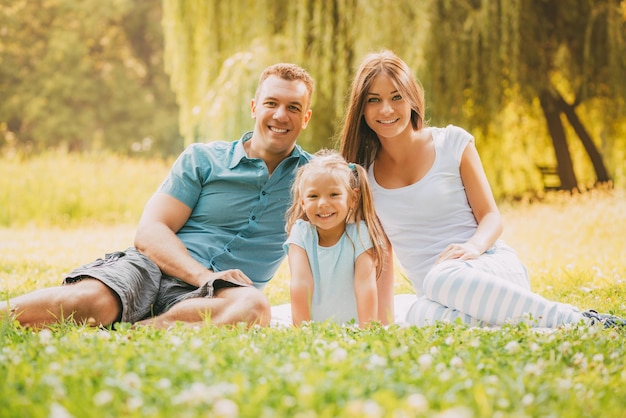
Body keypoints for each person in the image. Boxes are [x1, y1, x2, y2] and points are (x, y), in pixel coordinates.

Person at [5, 63, 315, 330]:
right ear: (254, 108)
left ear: (306, 118)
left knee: (253, 307)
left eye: (293, 107)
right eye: (271, 103)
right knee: (91, 302)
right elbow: (151, 232)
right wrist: (202, 276)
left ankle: (138, 333)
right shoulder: (204, 158)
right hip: (153, 268)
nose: (280, 115)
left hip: (224, 294)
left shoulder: (314, 179)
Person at [339, 50, 626, 328]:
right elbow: (382, 252)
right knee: (418, 313)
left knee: (440, 278)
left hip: (489, 268)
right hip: (436, 295)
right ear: (361, 108)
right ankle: (521, 321)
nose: (386, 109)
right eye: (374, 100)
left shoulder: (452, 143)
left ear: (412, 99)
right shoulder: (363, 174)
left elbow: (491, 216)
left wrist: (472, 247)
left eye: (396, 97)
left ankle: (577, 320)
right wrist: (381, 324)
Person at [281, 149, 389, 328]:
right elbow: (301, 284)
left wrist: (367, 331)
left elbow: (365, 285)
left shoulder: (361, 234)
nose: (323, 203)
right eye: (313, 196)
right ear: (303, 202)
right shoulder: (301, 234)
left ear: (353, 198)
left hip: (353, 328)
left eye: (334, 194)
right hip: (315, 329)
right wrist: (303, 332)